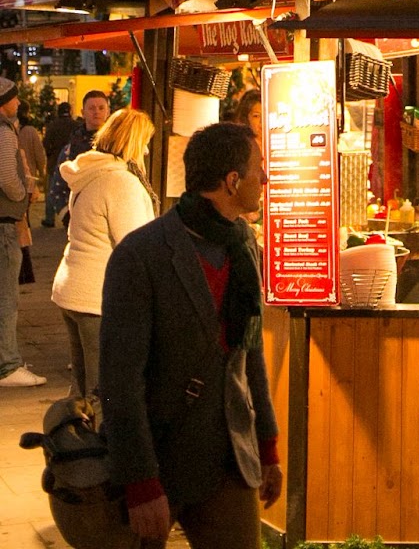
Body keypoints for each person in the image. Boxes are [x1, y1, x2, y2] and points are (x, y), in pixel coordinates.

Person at [100, 121, 281, 549]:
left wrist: (267, 447)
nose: (266, 178)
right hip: (159, 455)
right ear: (232, 181)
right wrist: (140, 482)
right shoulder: (141, 255)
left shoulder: (244, 247)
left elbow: (250, 352)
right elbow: (120, 379)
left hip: (227, 461)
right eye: (259, 168)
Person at [51, 107, 157, 402]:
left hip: (71, 287)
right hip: (95, 297)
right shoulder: (121, 182)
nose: (147, 151)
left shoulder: (89, 173)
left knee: (81, 387)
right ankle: (98, 446)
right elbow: (135, 245)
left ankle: (72, 443)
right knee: (103, 392)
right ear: (131, 142)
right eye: (144, 142)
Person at [0, 76, 44, 387]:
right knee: (6, 297)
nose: (19, 103)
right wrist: (21, 192)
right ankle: (8, 366)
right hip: (4, 225)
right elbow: (6, 176)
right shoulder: (3, 132)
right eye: (14, 98)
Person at [48, 90, 111, 225]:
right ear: (83, 113)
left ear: (108, 111)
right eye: (91, 108)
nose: (96, 112)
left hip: (111, 217)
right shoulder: (72, 148)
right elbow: (57, 187)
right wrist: (67, 216)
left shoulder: (118, 145)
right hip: (79, 218)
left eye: (101, 108)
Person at [17, 104, 45, 284]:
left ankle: (25, 272)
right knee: (22, 224)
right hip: (27, 182)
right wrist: (42, 174)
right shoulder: (30, 131)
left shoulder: (14, 131)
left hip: (20, 184)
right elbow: (39, 154)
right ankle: (26, 272)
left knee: (20, 225)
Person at [42, 101, 73, 227]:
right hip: (72, 163)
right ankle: (69, 218)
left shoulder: (53, 126)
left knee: (52, 190)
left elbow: (46, 144)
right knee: (71, 190)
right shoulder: (76, 125)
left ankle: (50, 218)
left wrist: (50, 155)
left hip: (54, 162)